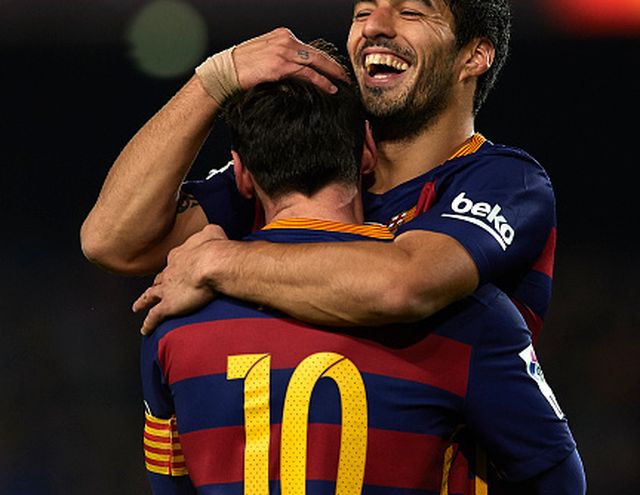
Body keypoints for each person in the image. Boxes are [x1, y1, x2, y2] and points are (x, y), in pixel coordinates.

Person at [140, 75, 584, 494]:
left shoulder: (172, 316)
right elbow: (558, 478)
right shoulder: (466, 314)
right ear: (368, 151)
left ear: (240, 173)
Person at [80, 0, 556, 346]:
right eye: (362, 11)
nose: (375, 27)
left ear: (474, 56)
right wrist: (216, 79)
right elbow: (111, 241)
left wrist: (219, 263)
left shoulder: (506, 182)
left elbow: (403, 285)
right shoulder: (315, 161)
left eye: (411, 12)